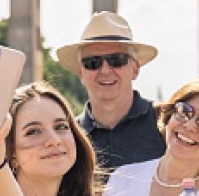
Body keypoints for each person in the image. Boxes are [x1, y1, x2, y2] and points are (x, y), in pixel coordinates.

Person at [55, 11, 164, 171]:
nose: (105, 70)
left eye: (117, 60)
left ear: (135, 69)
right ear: (81, 74)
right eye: (93, 62)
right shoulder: (69, 137)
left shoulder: (166, 125)